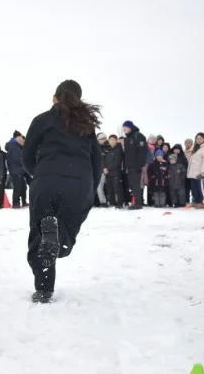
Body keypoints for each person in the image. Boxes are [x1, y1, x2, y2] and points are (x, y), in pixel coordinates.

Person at [21, 80, 102, 304]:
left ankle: (44, 289)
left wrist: (40, 174)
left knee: (41, 236)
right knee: (63, 236)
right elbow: (97, 159)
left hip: (46, 181)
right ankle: (59, 238)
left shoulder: (41, 120)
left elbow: (27, 156)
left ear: (55, 97)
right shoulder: (86, 125)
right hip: (79, 184)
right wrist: (89, 186)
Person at [121, 120, 147, 210]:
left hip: (136, 166)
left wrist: (139, 165)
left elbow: (142, 152)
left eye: (126, 127)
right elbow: (126, 154)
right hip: (129, 166)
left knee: (136, 185)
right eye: (123, 127)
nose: (124, 129)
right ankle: (134, 202)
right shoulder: (127, 138)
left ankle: (138, 204)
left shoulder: (138, 136)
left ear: (130, 127)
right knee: (132, 185)